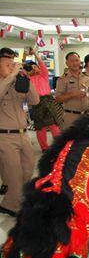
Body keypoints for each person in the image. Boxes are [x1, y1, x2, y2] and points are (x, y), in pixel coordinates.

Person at [0, 47, 39, 216]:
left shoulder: (19, 83)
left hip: (23, 134)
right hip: (5, 136)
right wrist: (10, 76)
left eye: (13, 64)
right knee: (14, 173)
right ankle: (13, 205)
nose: (12, 67)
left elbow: (35, 100)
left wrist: (26, 78)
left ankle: (12, 200)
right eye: (7, 65)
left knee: (28, 169)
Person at [24, 48, 62, 151]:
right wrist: (24, 57)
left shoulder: (43, 75)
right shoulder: (27, 79)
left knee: (54, 126)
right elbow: (22, 71)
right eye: (32, 68)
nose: (35, 68)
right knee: (40, 128)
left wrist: (35, 54)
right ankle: (44, 148)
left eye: (36, 66)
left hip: (48, 101)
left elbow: (42, 64)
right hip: (36, 103)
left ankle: (59, 146)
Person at [55, 52, 89, 129]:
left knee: (86, 140)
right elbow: (58, 99)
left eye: (77, 60)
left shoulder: (87, 77)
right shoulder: (62, 79)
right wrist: (72, 94)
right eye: (72, 61)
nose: (75, 63)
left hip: (86, 115)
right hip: (71, 117)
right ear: (67, 63)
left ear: (80, 62)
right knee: (71, 140)